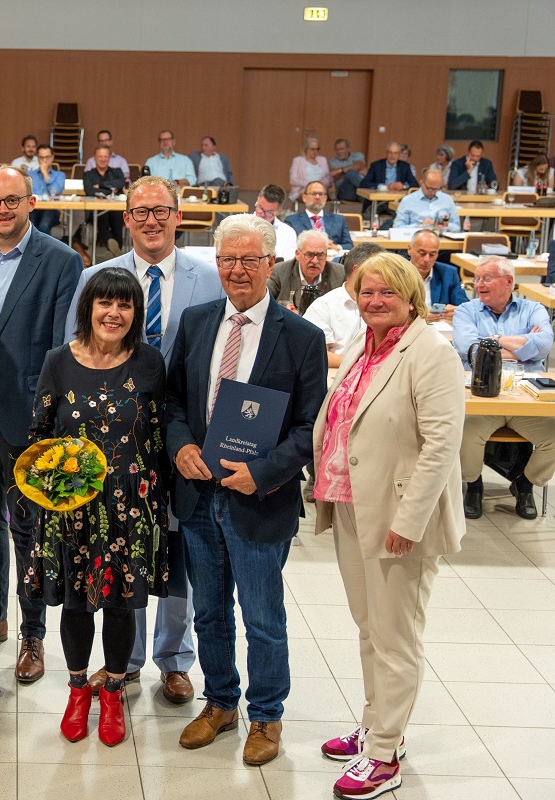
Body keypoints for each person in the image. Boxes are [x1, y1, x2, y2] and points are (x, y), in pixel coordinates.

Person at [166, 214, 327, 766]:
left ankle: (266, 715)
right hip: (199, 494)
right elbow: (172, 403)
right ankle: (220, 702)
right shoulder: (195, 322)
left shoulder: (302, 337)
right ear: (218, 263)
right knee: (208, 612)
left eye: (249, 260)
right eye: (227, 260)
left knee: (261, 615)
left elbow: (311, 428)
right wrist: (181, 445)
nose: (238, 270)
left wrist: (262, 472)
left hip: (260, 497)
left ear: (269, 265)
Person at [65, 175, 225, 703]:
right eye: (141, 212)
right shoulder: (96, 278)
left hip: (185, 438)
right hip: (115, 443)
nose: (151, 220)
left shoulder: (210, 279)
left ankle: (174, 659)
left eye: (162, 211)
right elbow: (74, 352)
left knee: (177, 549)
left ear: (179, 216)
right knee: (121, 546)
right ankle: (123, 660)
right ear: (126, 219)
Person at [312, 252, 466, 800]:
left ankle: (384, 756)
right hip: (355, 504)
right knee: (369, 627)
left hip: (399, 517)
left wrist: (410, 520)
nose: (375, 301)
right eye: (367, 292)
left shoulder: (431, 352)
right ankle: (379, 726)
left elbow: (443, 445)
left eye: (387, 293)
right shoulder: (364, 342)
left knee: (396, 638)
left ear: (410, 297)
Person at [0, 166, 82, 684]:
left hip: (25, 411)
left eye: (12, 201)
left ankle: (33, 632)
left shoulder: (60, 260)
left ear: (31, 202)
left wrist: (49, 417)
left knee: (28, 526)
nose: (2, 210)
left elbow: (58, 346)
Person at [30, 268, 169, 747]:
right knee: (75, 602)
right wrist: (52, 490)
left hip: (130, 507)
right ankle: (76, 691)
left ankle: (112, 691)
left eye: (126, 305)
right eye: (105, 303)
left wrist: (158, 503)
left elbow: (157, 433)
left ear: (136, 314)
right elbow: (39, 435)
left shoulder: (150, 363)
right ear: (88, 307)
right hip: (72, 508)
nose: (114, 313)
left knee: (121, 603)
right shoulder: (57, 361)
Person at [454, 257, 554, 520]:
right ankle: (473, 485)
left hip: (527, 398)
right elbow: (471, 350)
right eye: (476, 279)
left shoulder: (533, 309)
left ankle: (525, 484)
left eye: (486, 278)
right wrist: (524, 348)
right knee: (466, 430)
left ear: (508, 282)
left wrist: (494, 341)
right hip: (482, 396)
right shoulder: (466, 310)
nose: (478, 285)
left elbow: (544, 345)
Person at [303, 242, 385, 367]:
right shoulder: (323, 307)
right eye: (380, 271)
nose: (386, 277)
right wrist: (363, 366)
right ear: (357, 270)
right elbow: (315, 354)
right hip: (337, 379)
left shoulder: (387, 305)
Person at [267, 229, 346, 312]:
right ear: (297, 254)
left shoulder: (340, 274)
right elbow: (264, 304)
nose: (315, 261)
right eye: (309, 255)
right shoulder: (279, 272)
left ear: (326, 255)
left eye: (320, 255)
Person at [407, 229, 467, 322]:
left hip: (440, 329)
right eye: (422, 253)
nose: (427, 259)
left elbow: (465, 307)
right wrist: (417, 316)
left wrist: (457, 311)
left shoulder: (449, 273)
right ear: (409, 249)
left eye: (432, 254)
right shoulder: (396, 273)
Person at [83, 144, 127, 256]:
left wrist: (101, 185)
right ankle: (115, 251)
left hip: (116, 208)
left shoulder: (117, 172)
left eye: (105, 157)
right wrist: (110, 189)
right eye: (100, 156)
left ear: (109, 158)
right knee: (101, 217)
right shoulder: (88, 174)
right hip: (96, 210)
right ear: (94, 158)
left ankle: (112, 249)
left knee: (118, 218)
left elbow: (121, 183)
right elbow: (89, 190)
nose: (103, 159)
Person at [284, 182, 354, 249]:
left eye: (320, 194)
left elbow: (349, 245)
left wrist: (337, 247)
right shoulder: (291, 221)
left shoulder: (339, 220)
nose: (317, 197)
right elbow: (287, 246)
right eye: (313, 194)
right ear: (304, 197)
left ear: (325, 198)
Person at [393, 168, 460, 231]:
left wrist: (444, 225)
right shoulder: (408, 201)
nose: (433, 192)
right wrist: (420, 226)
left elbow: (457, 227)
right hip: (417, 238)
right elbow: (397, 227)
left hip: (442, 239)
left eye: (436, 189)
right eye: (430, 188)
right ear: (421, 182)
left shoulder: (447, 200)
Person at [361, 143, 421, 211]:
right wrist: (384, 186)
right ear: (386, 153)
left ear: (399, 155)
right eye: (390, 153)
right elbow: (364, 183)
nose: (393, 156)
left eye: (395, 153)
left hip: (396, 201)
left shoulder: (405, 166)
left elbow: (415, 185)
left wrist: (403, 186)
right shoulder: (376, 165)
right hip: (378, 201)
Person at [252, 184, 299, 261]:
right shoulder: (240, 224)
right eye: (260, 208)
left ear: (279, 211)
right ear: (257, 201)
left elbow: (287, 266)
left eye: (269, 212)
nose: (263, 214)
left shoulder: (288, 233)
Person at [29, 144, 66, 235]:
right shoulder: (30, 175)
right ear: (37, 158)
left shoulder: (60, 175)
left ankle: (42, 249)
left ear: (52, 157)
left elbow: (55, 191)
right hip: (33, 209)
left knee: (43, 227)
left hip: (51, 209)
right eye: (41, 157)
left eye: (47, 157)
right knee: (30, 227)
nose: (44, 160)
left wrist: (45, 173)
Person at [289, 138, 331, 202]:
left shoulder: (323, 160)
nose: (315, 151)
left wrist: (317, 186)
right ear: (305, 149)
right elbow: (293, 180)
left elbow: (328, 179)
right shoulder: (297, 160)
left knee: (318, 194)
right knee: (309, 194)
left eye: (317, 149)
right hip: (303, 189)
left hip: (320, 190)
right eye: (312, 149)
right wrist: (310, 185)